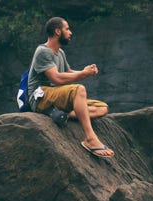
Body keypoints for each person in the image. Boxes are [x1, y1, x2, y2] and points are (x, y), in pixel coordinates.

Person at [27, 17, 114, 158]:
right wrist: (83, 75)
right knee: (79, 89)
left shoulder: (59, 52)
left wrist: (85, 72)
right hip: (40, 96)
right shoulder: (43, 51)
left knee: (102, 108)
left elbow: (68, 72)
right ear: (57, 31)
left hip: (55, 96)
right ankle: (90, 139)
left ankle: (62, 114)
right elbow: (56, 78)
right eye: (67, 29)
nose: (70, 32)